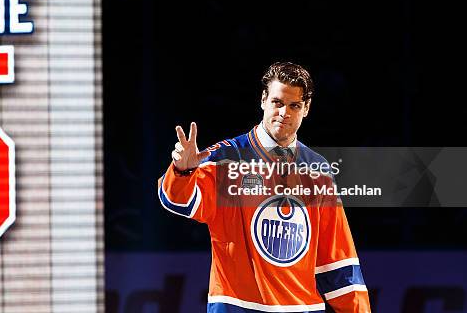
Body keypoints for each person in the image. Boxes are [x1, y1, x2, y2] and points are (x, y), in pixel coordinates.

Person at [158, 62, 371, 312]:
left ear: (307, 108)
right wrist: (183, 171)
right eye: (278, 103)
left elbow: (337, 260)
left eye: (294, 106)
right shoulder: (228, 158)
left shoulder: (318, 170)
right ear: (263, 100)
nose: (284, 113)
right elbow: (177, 200)